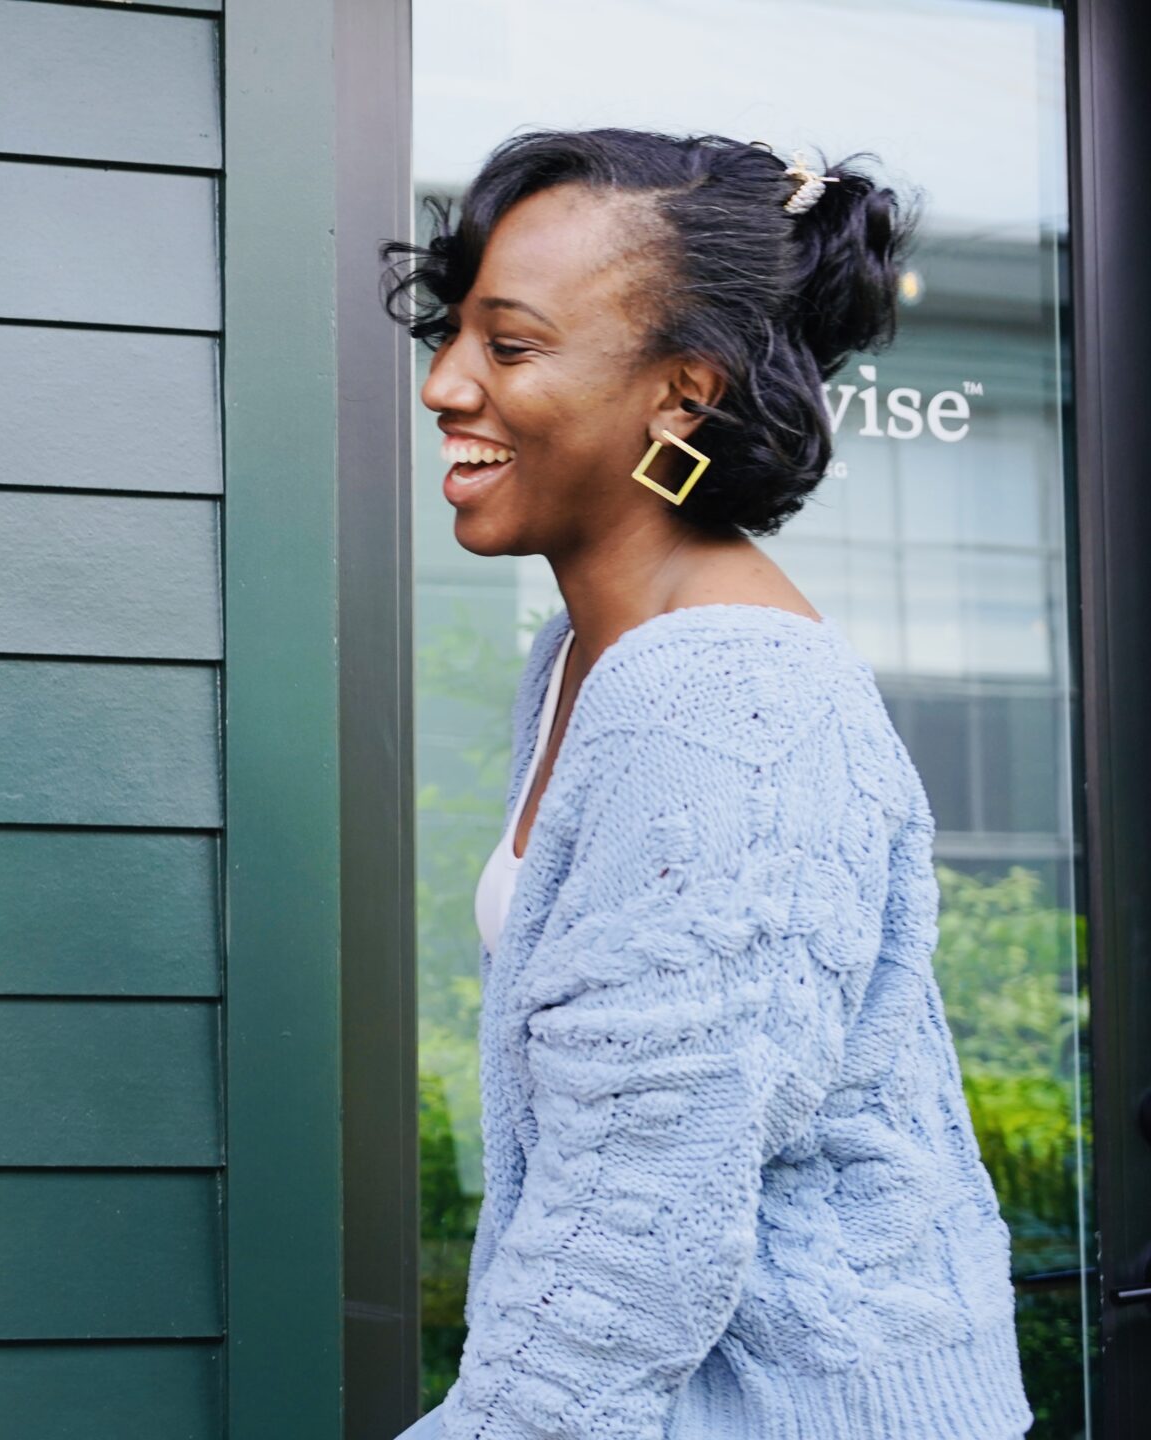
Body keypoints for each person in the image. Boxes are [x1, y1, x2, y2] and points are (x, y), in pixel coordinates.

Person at [384, 131, 1030, 1438]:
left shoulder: (725, 710)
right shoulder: (590, 653)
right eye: (453, 333)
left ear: (682, 393)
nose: (445, 384)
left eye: (509, 347)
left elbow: (635, 1246)